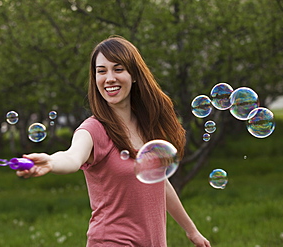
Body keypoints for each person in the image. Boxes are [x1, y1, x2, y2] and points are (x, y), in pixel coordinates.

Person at [17, 36, 211, 247]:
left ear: (134, 75)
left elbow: (159, 182)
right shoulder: (93, 129)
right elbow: (72, 156)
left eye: (118, 69)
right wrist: (52, 162)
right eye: (101, 71)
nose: (109, 78)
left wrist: (192, 231)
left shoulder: (146, 126)